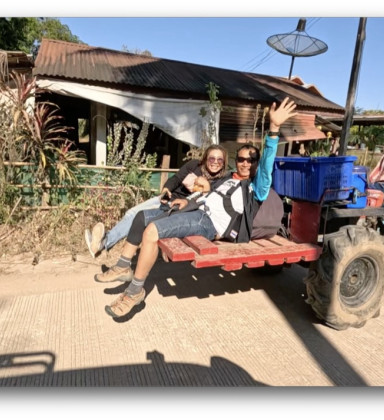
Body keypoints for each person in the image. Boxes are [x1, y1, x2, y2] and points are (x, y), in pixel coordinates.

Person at [93, 97, 298, 318]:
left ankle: (134, 292)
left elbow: (267, 166)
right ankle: (123, 266)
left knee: (151, 231)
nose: (245, 163)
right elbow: (207, 195)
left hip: (208, 223)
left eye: (251, 160)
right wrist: (188, 201)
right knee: (142, 216)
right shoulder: (227, 178)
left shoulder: (256, 188)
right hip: (195, 210)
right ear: (236, 160)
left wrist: (274, 128)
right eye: (241, 159)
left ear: (256, 163)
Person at [84, 144, 229, 258]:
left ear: (223, 163)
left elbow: (209, 203)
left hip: (181, 210)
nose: (215, 163)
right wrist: (166, 189)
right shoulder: (194, 165)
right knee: (131, 213)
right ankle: (103, 242)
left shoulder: (222, 181)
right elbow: (176, 178)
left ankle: (104, 243)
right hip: (168, 199)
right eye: (212, 158)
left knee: (138, 217)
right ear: (205, 159)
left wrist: (207, 187)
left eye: (219, 160)